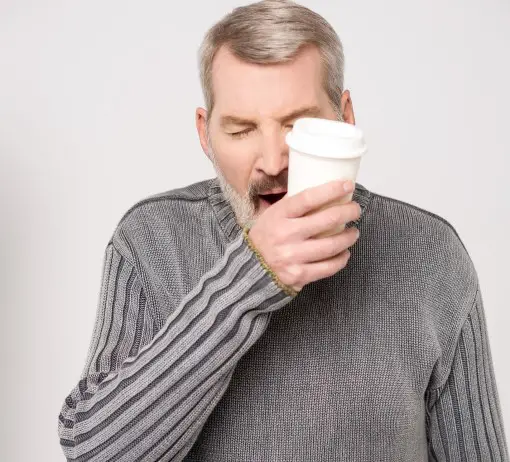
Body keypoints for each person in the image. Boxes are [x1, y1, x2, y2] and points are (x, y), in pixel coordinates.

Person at [58, 1, 509, 460]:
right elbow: (95, 452)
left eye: (297, 125)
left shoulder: (431, 252)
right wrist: (249, 278)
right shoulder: (151, 242)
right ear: (204, 133)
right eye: (240, 131)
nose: (273, 162)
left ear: (345, 117)